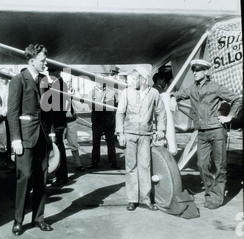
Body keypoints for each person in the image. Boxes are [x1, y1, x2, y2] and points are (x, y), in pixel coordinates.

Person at [170, 59, 242, 210]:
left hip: (216, 130)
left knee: (219, 165)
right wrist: (172, 98)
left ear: (206, 72)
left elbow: (237, 99)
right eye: (194, 70)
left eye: (199, 70)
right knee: (201, 165)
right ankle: (210, 193)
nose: (195, 72)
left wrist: (229, 116)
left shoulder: (215, 87)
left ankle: (216, 197)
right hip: (201, 132)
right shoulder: (192, 89)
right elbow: (179, 93)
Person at [7, 44, 53, 236]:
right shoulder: (18, 80)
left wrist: (51, 134)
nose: (45, 62)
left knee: (41, 179)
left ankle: (39, 219)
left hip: (42, 136)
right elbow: (12, 112)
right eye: (42, 60)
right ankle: (18, 221)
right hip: (25, 138)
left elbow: (49, 110)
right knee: (24, 178)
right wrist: (15, 139)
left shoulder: (44, 80)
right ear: (31, 60)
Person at [116, 66, 166, 211]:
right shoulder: (126, 92)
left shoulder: (154, 93)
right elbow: (120, 114)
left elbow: (161, 112)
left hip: (146, 135)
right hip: (130, 135)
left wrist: (161, 129)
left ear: (144, 79)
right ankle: (132, 199)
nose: (132, 81)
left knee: (145, 166)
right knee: (131, 167)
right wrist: (120, 133)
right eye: (132, 78)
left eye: (135, 78)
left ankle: (146, 199)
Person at [88, 75, 119, 169]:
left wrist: (99, 103)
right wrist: (102, 103)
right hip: (97, 120)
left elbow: (111, 104)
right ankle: (95, 162)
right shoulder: (92, 92)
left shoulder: (110, 91)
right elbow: (90, 106)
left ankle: (113, 162)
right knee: (96, 142)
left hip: (108, 120)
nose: (100, 83)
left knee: (110, 142)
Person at [46, 67, 69, 186]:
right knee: (59, 149)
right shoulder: (59, 84)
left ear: (58, 72)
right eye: (49, 72)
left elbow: (55, 108)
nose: (49, 74)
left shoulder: (58, 85)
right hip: (58, 122)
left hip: (56, 123)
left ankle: (61, 177)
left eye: (52, 72)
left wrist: (53, 128)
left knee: (58, 150)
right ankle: (60, 175)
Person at [64, 80, 85, 172]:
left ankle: (78, 163)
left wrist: (74, 96)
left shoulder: (73, 94)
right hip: (60, 122)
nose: (68, 85)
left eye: (69, 83)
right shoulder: (57, 93)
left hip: (71, 121)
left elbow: (80, 108)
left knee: (73, 143)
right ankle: (59, 165)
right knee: (58, 144)